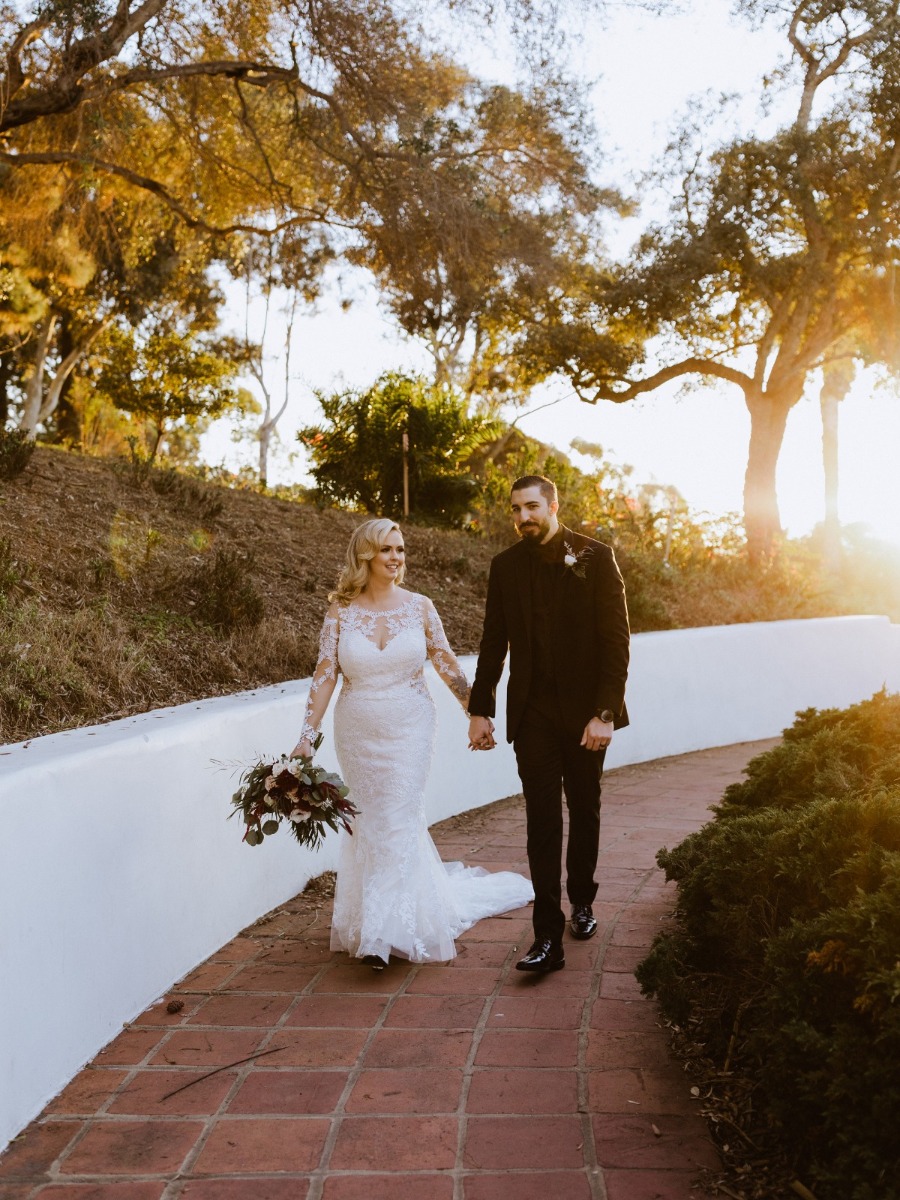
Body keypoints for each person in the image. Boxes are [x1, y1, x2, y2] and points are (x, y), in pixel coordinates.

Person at [292, 517, 533, 970]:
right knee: (371, 821)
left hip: (411, 727)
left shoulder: (420, 607)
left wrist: (475, 713)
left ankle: (383, 936)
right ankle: (383, 918)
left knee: (399, 817)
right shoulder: (340, 612)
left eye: (400, 549)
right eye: (386, 549)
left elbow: (446, 664)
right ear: (366, 554)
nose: (396, 558)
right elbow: (325, 676)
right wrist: (306, 738)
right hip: (357, 730)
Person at [467, 475, 630, 974]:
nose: (523, 518)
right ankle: (546, 935)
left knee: (584, 808)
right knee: (541, 820)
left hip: (585, 716)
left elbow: (616, 641)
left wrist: (605, 714)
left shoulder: (595, 557)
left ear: (554, 506)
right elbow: (494, 641)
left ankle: (582, 898)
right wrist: (480, 709)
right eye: (516, 510)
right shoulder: (505, 567)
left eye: (532, 507)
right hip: (532, 714)